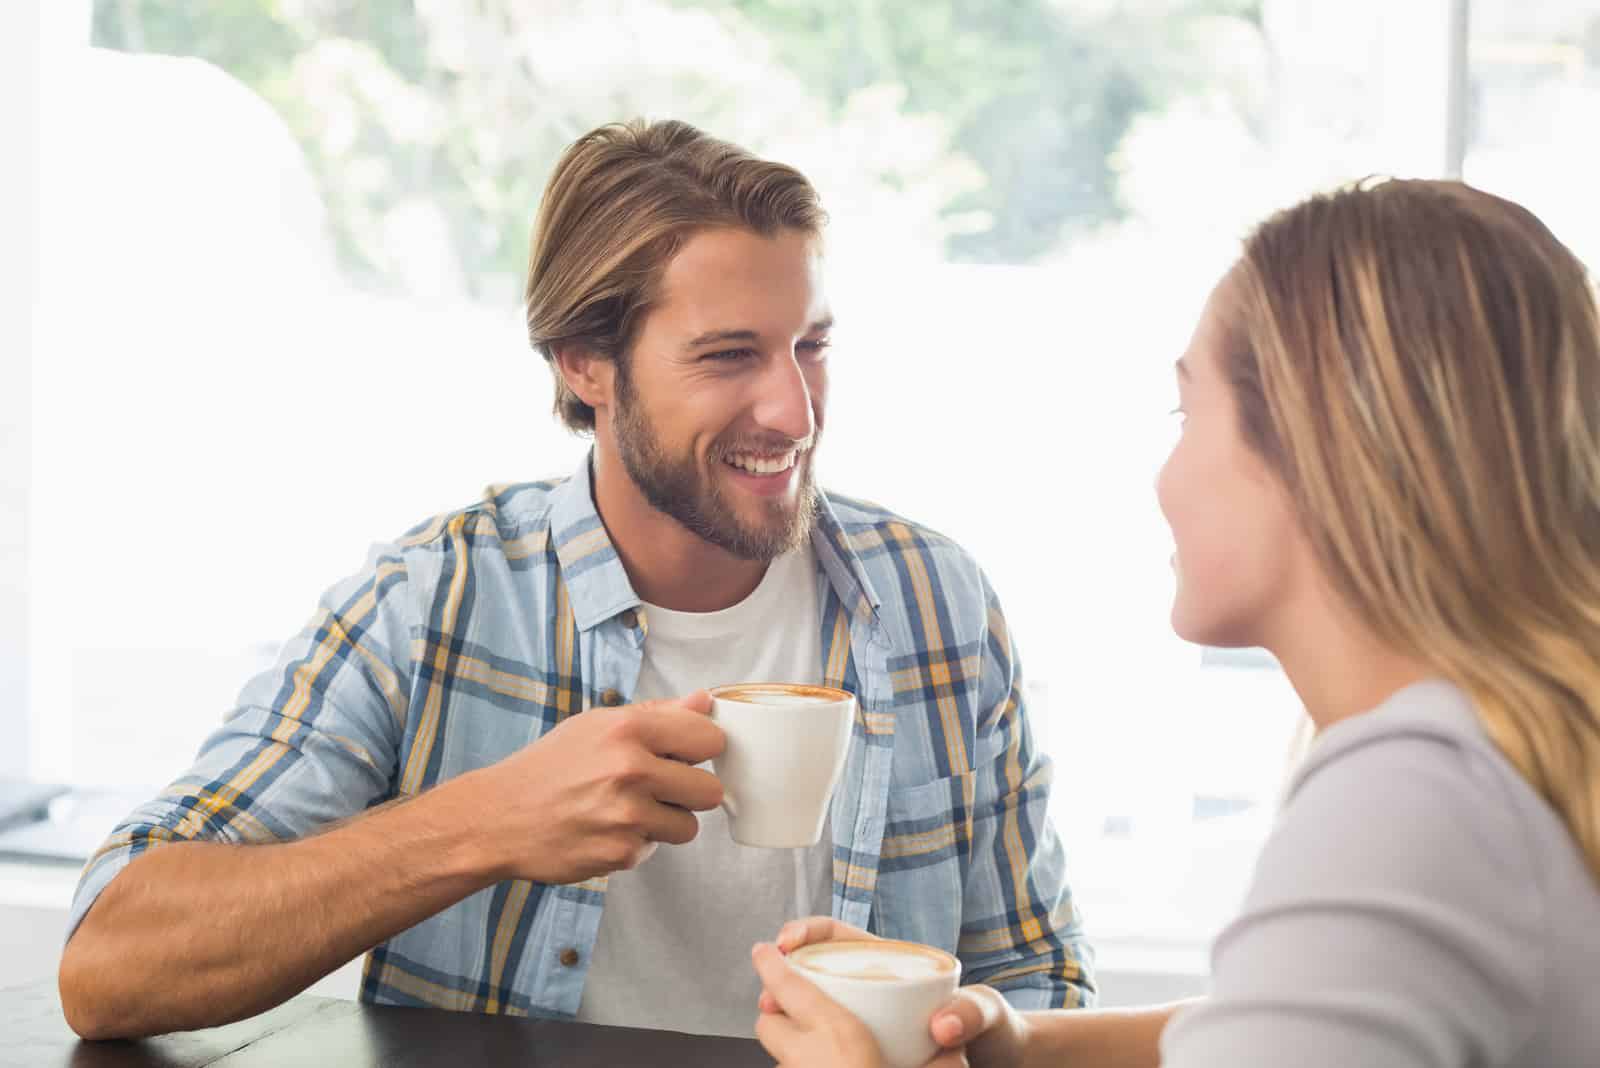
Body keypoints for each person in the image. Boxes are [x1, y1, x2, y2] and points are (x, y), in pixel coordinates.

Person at [56, 119, 1094, 1041]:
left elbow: (1036, 979)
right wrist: (481, 824)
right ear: (583, 363)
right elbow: (110, 963)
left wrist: (978, 1035)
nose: (794, 411)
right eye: (729, 356)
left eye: (810, 346)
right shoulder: (437, 600)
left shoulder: (933, 602)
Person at [753, 178, 1600, 1067]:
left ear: (1319, 453)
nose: (1166, 476)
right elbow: (1286, 1019)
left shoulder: (1410, 801)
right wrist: (1020, 1040)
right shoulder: (1506, 756)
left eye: (1188, 413)